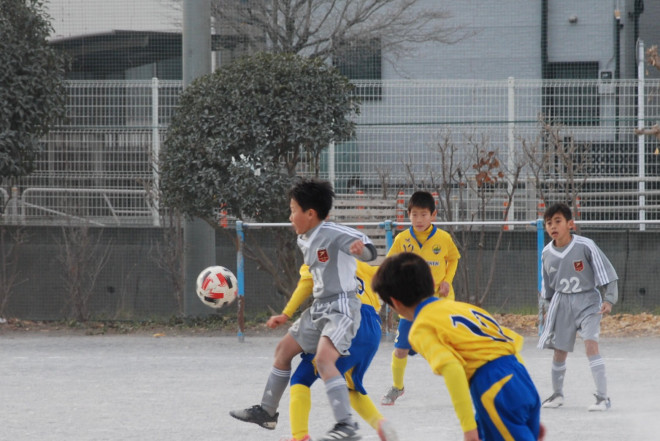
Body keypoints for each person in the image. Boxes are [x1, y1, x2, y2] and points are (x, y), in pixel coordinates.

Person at [230, 178, 377, 441]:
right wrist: (286, 314)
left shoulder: (333, 233)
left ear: (310, 214)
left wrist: (362, 252)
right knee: (283, 350)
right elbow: (308, 281)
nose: (290, 216)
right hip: (319, 308)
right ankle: (267, 412)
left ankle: (346, 425)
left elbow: (368, 247)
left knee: (323, 360)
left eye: (293, 209)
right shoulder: (305, 238)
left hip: (341, 307)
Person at [372, 252, 545, 441]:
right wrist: (520, 398)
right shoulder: (467, 308)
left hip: (492, 386)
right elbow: (509, 346)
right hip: (520, 377)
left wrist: (469, 428)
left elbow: (452, 368)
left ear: (395, 302)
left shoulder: (421, 326)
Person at [267, 262, 397, 441]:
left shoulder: (318, 256)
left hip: (348, 320)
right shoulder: (362, 266)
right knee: (348, 385)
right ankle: (381, 424)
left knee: (301, 377)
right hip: (372, 328)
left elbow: (306, 284)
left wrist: (286, 313)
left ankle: (299, 437)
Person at [381, 190, 460, 405]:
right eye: (414, 214)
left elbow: (453, 259)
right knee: (400, 350)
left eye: (424, 214)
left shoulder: (443, 238)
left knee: (447, 345)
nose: (419, 219)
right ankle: (397, 387)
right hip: (411, 304)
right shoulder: (402, 239)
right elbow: (389, 265)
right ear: (408, 215)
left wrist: (447, 281)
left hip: (439, 302)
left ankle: (464, 384)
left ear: (433, 215)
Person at [537, 202, 618, 411]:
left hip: (588, 302)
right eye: (549, 223)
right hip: (561, 304)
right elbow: (547, 287)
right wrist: (547, 310)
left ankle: (603, 397)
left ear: (570, 224)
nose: (553, 226)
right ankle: (557, 394)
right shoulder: (546, 253)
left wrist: (609, 299)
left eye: (558, 221)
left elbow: (607, 274)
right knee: (559, 352)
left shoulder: (585, 245)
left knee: (591, 344)